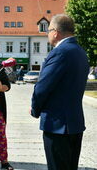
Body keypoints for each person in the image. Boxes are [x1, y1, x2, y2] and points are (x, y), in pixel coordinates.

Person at [31, 14, 89, 170]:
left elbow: (42, 87)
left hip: (58, 125)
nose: (47, 34)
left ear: (55, 32)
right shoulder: (80, 52)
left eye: (48, 30)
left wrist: (35, 109)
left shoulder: (60, 52)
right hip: (74, 123)